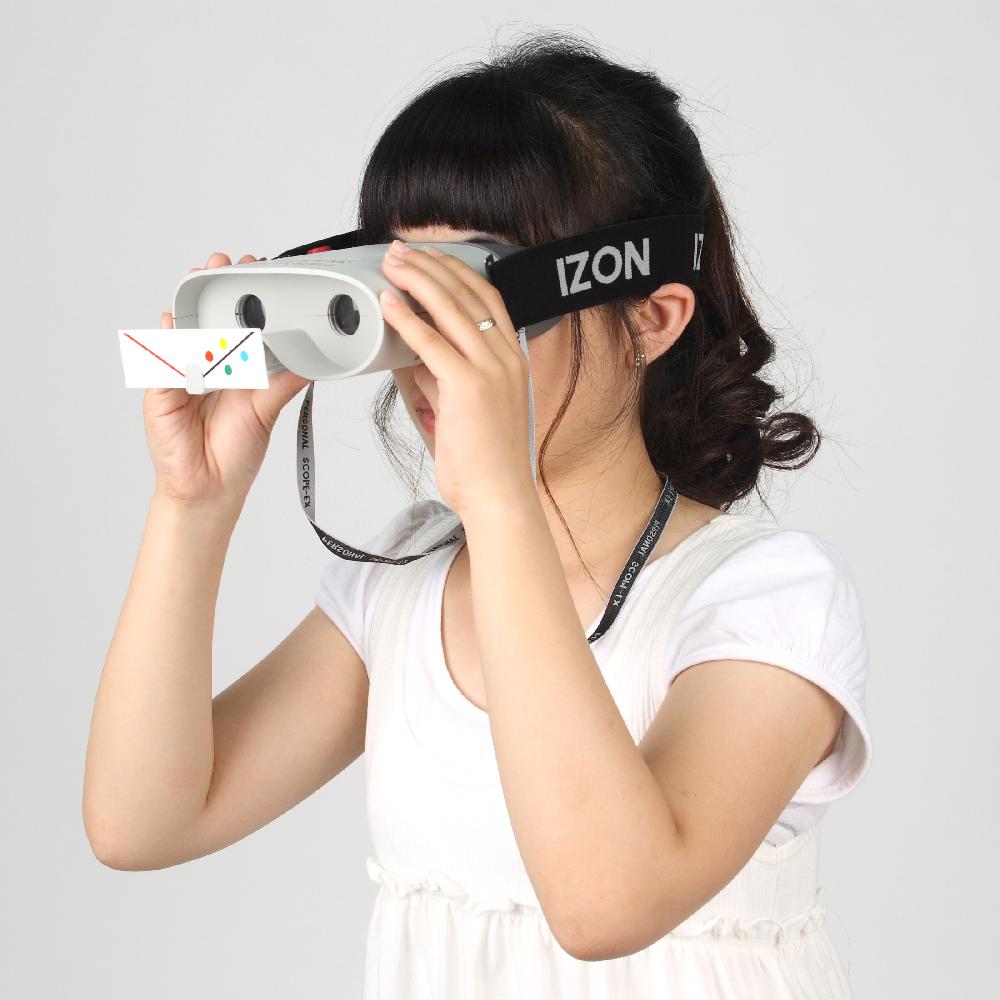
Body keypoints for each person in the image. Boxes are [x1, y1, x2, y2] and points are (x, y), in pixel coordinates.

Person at [84, 29, 873, 1000]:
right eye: (405, 298)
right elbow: (142, 823)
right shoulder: (407, 586)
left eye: (477, 300)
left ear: (650, 317)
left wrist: (499, 498)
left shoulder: (767, 597)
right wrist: (192, 505)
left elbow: (605, 904)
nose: (432, 350)